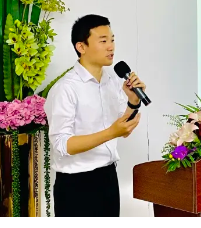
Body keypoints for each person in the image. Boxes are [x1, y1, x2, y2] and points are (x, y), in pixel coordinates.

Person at [44, 14, 146, 217]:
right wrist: (110, 133)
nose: (111, 47)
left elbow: (123, 129)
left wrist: (133, 101)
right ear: (81, 47)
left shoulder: (112, 82)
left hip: (108, 178)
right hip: (76, 185)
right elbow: (62, 145)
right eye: (103, 41)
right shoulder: (66, 88)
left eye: (112, 40)